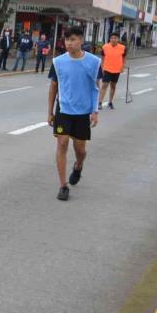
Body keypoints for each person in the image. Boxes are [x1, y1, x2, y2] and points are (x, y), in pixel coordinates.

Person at [47, 26, 101, 201]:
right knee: (62, 144)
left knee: (80, 149)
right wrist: (49, 112)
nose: (69, 43)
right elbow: (53, 86)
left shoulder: (93, 62)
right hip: (63, 109)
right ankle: (63, 186)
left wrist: (95, 110)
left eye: (73, 40)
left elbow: (95, 87)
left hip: (83, 111)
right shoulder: (58, 62)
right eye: (67, 40)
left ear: (81, 40)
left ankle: (78, 166)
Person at [98, 32, 126, 110]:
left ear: (118, 39)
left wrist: (122, 67)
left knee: (113, 86)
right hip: (107, 69)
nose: (113, 39)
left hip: (117, 70)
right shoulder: (105, 47)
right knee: (104, 86)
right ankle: (99, 102)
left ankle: (110, 102)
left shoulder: (123, 48)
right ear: (110, 39)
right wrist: (102, 67)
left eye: (115, 38)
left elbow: (124, 58)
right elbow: (102, 57)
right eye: (112, 38)